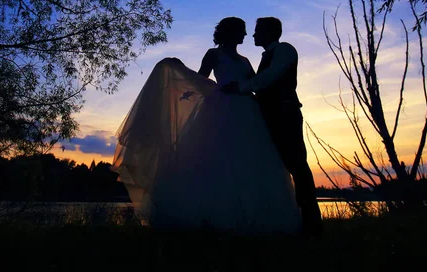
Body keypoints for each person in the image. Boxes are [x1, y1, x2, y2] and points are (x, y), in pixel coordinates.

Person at [111, 17, 301, 234]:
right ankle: (213, 218)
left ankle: (253, 217)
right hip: (221, 111)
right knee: (217, 159)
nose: (246, 35)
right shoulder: (214, 55)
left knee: (249, 161)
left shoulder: (246, 60)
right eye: (242, 30)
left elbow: (255, 84)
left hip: (249, 114)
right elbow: (200, 79)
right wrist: (178, 68)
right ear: (230, 32)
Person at [222, 17, 323, 236]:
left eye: (257, 30)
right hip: (267, 117)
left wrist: (240, 86)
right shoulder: (264, 57)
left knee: (297, 165)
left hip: (285, 114)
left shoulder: (285, 50)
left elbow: (268, 78)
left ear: (269, 31)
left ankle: (311, 222)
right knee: (274, 166)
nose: (253, 35)